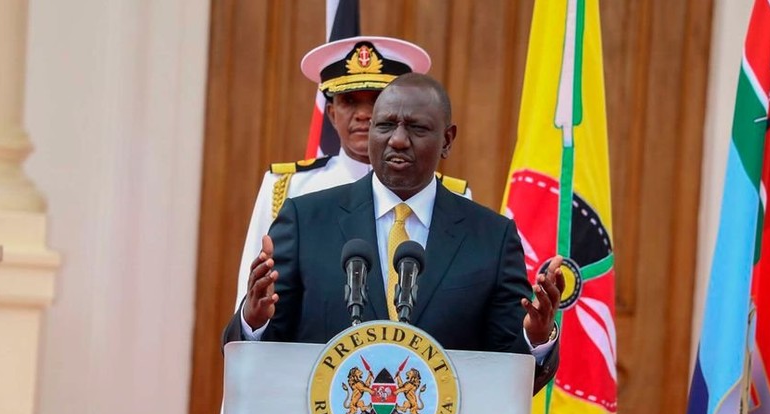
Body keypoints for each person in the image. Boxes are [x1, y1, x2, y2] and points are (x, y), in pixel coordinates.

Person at [223, 73, 565, 393]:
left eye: (416, 128)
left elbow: (508, 376)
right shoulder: (305, 219)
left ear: (447, 140)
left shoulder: (491, 237)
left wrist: (535, 338)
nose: (398, 139)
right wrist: (254, 323)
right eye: (385, 125)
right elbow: (259, 360)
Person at [234, 36, 471, 309]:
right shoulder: (288, 188)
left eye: (377, 100)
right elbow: (255, 295)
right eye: (349, 101)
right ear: (332, 114)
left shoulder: (453, 194)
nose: (363, 114)